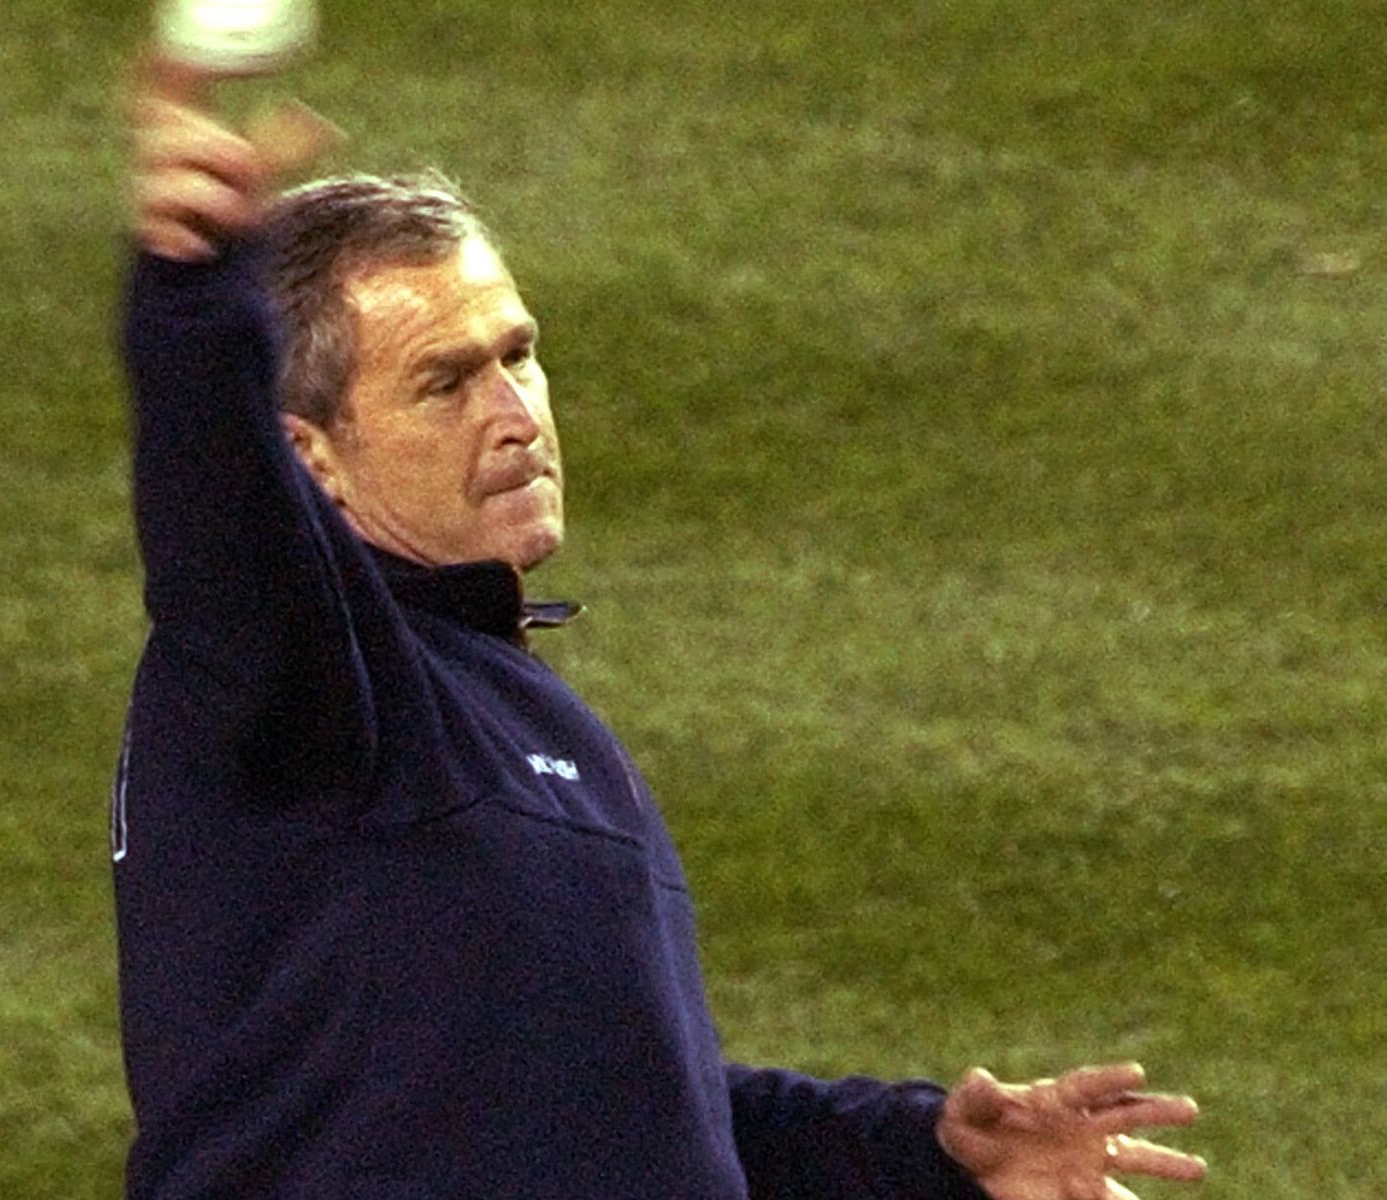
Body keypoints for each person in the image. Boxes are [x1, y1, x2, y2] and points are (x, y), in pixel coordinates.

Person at [112, 62, 1208, 1200]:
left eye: (518, 356)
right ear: (310, 459)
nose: (515, 416)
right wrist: (192, 300)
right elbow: (220, 516)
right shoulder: (299, 683)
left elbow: (633, 1104)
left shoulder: (510, 707)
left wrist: (927, 1154)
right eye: (445, 384)